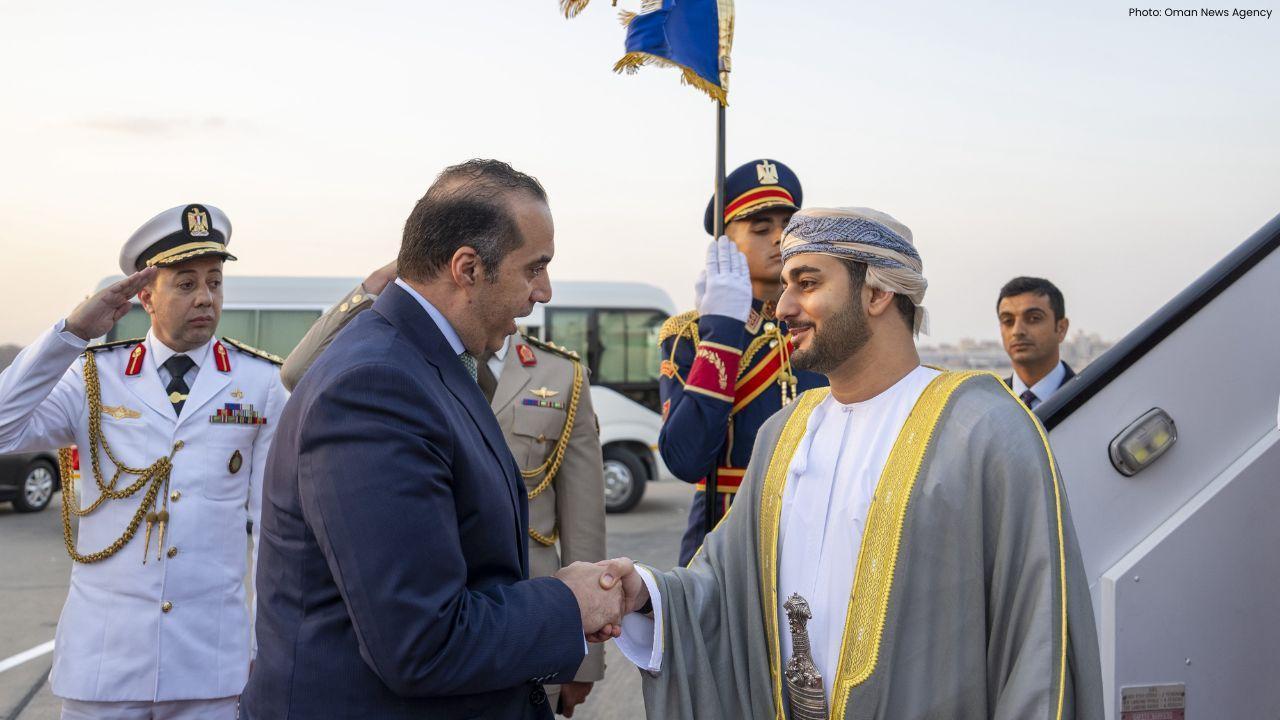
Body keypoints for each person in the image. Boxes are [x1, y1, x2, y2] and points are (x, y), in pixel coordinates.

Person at [607, 207, 1104, 719]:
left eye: (807, 283)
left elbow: (1039, 642)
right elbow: (724, 588)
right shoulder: (784, 433)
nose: (783, 307)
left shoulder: (984, 430)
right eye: (784, 286)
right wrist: (645, 594)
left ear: (877, 293)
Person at [241, 160, 627, 720]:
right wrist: (567, 602)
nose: (544, 291)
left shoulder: (426, 363)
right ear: (467, 268)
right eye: (534, 268)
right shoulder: (376, 386)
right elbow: (420, 643)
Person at [0, 204, 287, 720]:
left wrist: (267, 648)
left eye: (215, 282)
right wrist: (69, 334)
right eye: (185, 283)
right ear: (145, 296)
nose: (205, 297)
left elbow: (274, 529)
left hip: (210, 666)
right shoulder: (93, 375)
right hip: (105, 663)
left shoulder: (261, 383)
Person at [658, 158, 827, 566]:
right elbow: (685, 457)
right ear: (725, 245)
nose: (780, 238)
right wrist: (722, 329)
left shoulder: (823, 324)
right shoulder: (690, 333)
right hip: (728, 535)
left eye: (788, 225)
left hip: (819, 531)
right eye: (761, 228)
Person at [997, 276, 1076, 409]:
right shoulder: (987, 406)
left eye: (1033, 318)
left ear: (1061, 328)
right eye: (1008, 321)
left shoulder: (1091, 400)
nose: (1017, 331)